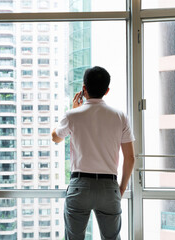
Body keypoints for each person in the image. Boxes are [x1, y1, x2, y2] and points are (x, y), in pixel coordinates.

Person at [52, 66, 135, 240]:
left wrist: (74, 109)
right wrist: (120, 189)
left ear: (84, 89)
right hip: (108, 187)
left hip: (80, 186)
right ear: (107, 90)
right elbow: (130, 158)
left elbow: (55, 138)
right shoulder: (120, 116)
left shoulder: (72, 115)